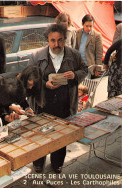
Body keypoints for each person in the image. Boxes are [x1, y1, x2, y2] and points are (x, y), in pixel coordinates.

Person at [28, 24, 88, 173]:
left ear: (65, 40)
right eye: (53, 40)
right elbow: (28, 78)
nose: (56, 44)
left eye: (60, 40)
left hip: (65, 103)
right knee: (40, 135)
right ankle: (38, 162)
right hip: (43, 104)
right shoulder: (37, 56)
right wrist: (44, 84)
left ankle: (57, 163)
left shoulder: (73, 55)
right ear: (47, 41)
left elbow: (84, 69)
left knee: (61, 136)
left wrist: (75, 75)